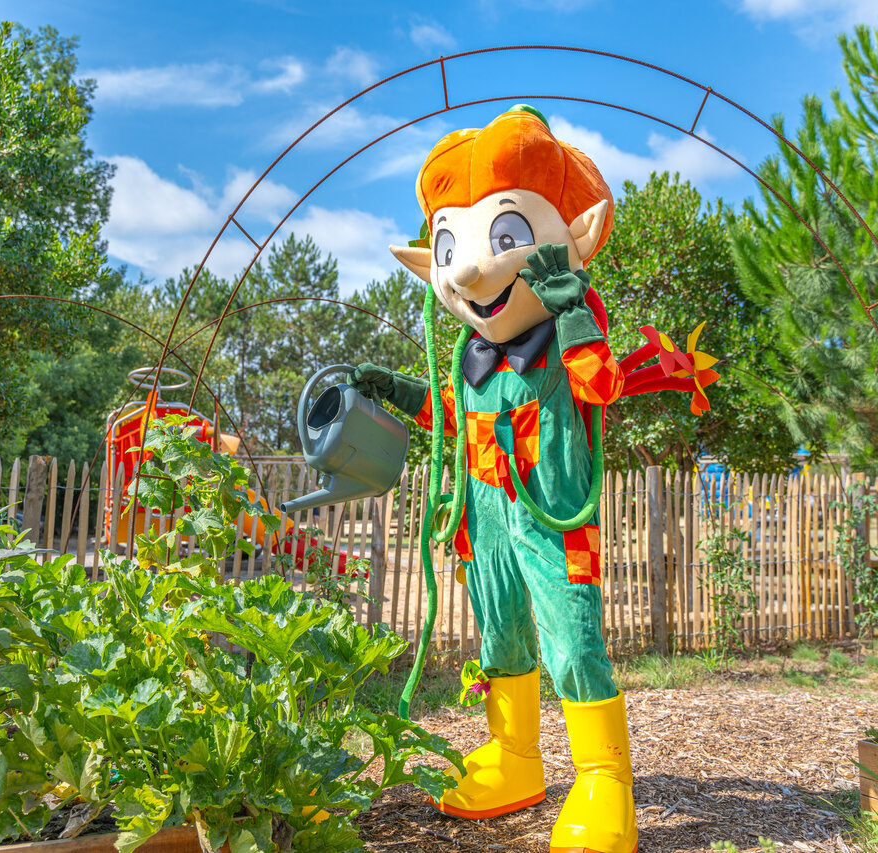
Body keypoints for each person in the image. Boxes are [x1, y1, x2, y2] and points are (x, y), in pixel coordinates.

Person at [348, 106, 717, 853]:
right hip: (485, 517)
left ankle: (603, 776)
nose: (471, 268)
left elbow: (603, 383)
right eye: (450, 244)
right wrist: (392, 385)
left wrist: (573, 311)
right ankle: (516, 758)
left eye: (506, 237)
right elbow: (450, 413)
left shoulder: (564, 335)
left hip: (551, 511)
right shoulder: (467, 355)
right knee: (501, 632)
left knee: (573, 639)